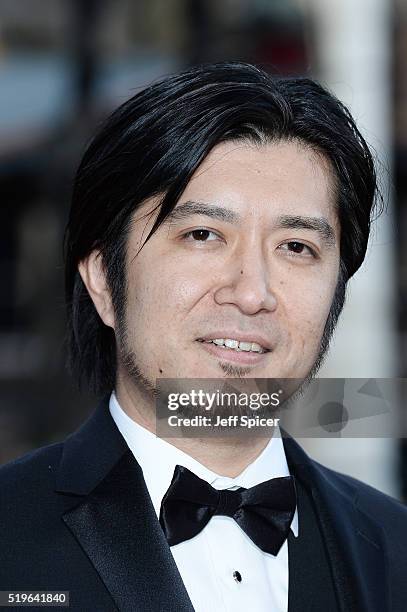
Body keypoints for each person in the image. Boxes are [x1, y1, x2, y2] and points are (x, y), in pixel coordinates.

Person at [0, 62, 405, 612]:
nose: (252, 292)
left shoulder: (391, 548)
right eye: (203, 234)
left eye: (296, 247)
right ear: (102, 279)